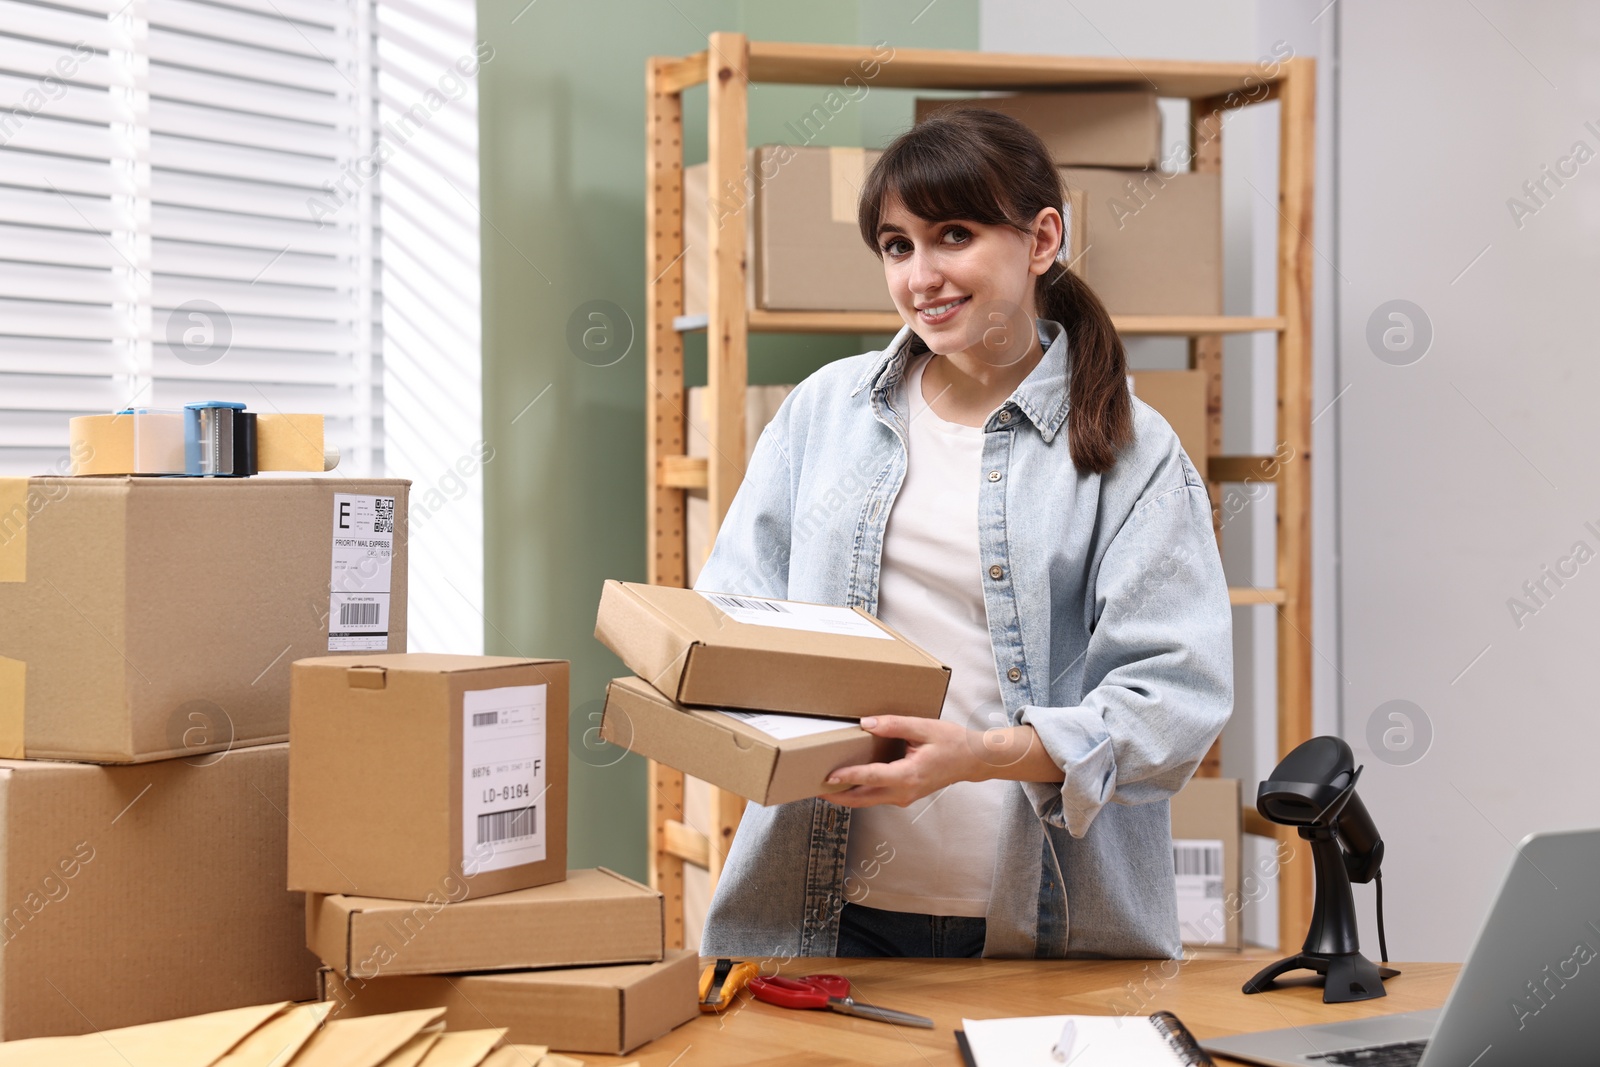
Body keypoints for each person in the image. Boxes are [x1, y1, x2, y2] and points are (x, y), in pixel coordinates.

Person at [693, 108, 1233, 960]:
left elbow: (1175, 703)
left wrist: (981, 752)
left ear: (1042, 237)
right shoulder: (824, 413)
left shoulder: (1133, 448)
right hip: (817, 916)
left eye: (953, 234)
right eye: (896, 245)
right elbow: (732, 618)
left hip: (1048, 921)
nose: (922, 275)